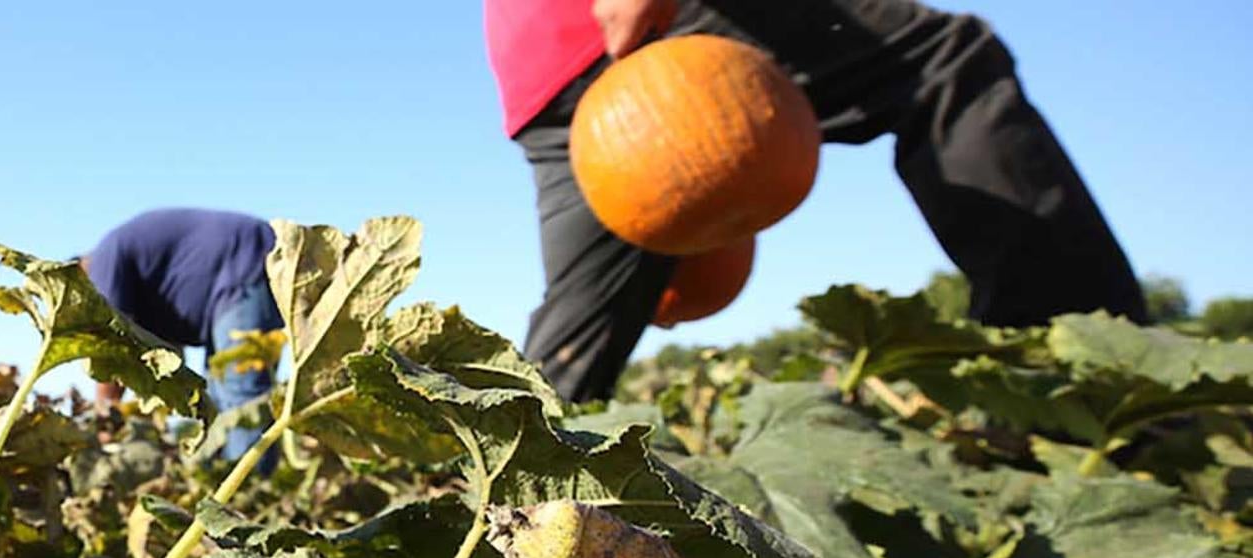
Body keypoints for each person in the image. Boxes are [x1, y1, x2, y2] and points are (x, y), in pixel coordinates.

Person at [487, 0, 1151, 402]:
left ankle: (478, 511)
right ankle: (1075, 384)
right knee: (944, 68)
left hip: (541, 71)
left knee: (565, 361)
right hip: (621, 23)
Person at [81, 208, 285, 461]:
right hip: (231, 279)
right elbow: (170, 360)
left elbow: (110, 347)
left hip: (244, 261)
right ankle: (226, 482)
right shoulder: (138, 278)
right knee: (218, 403)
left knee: (241, 398)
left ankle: (254, 491)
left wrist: (105, 420)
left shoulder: (102, 260)